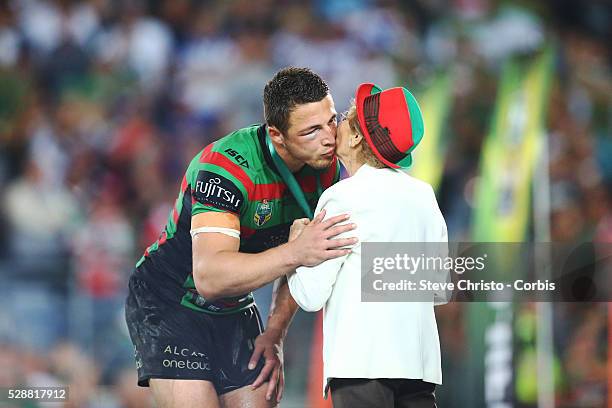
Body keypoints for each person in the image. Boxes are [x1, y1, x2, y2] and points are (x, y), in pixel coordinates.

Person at [125, 67, 358, 408]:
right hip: (170, 300)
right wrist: (296, 251)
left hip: (234, 305)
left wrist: (275, 333)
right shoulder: (227, 167)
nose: (329, 138)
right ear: (277, 136)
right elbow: (210, 277)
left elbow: (300, 258)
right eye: (310, 131)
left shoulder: (329, 171)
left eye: (331, 120)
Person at [287, 83, 449, 408]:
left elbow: (310, 296)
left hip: (361, 366)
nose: (336, 124)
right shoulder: (423, 196)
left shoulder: (341, 197)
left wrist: (296, 248)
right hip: (419, 367)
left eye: (345, 118)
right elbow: (438, 290)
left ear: (359, 137)